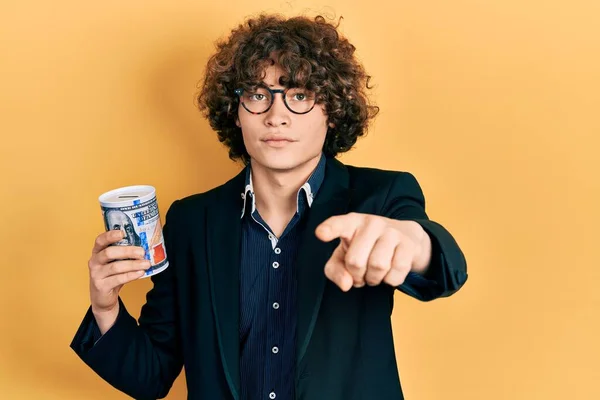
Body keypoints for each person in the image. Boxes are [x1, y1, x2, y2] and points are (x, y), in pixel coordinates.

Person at [71, 14, 468, 400]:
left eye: (299, 95)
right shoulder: (190, 221)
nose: (276, 116)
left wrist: (412, 242)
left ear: (332, 110)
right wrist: (105, 306)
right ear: (236, 112)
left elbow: (443, 266)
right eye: (258, 95)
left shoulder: (380, 195)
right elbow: (151, 378)